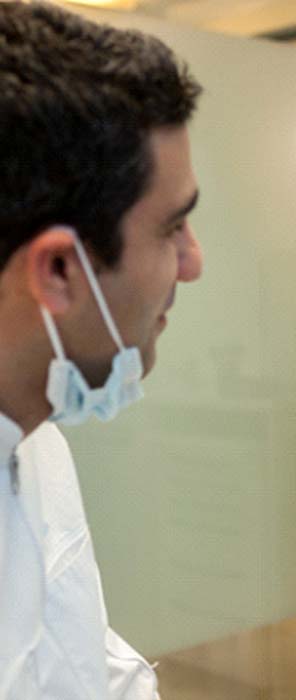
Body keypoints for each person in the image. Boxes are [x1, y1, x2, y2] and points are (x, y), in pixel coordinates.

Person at [0, 3, 202, 698]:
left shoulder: (35, 439)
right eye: (171, 229)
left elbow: (73, 651)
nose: (193, 262)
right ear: (57, 270)